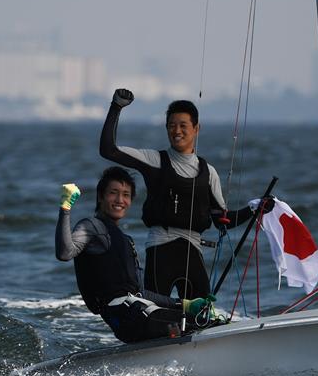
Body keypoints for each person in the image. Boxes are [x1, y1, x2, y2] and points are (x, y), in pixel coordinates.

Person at [100, 88, 259, 300]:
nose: (177, 131)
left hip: (193, 252)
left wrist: (254, 209)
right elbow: (108, 149)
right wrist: (116, 107)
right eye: (172, 126)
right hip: (160, 250)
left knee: (201, 315)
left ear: (196, 129)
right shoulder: (154, 160)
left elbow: (223, 221)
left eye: (183, 126)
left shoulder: (208, 173)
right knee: (157, 314)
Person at [55, 166, 211, 343]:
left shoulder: (125, 240)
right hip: (126, 317)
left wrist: (185, 304)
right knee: (201, 324)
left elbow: (140, 292)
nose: (120, 199)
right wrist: (65, 207)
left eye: (126, 194)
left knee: (202, 320)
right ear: (100, 196)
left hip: (138, 311)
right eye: (113, 193)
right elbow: (65, 252)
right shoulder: (92, 227)